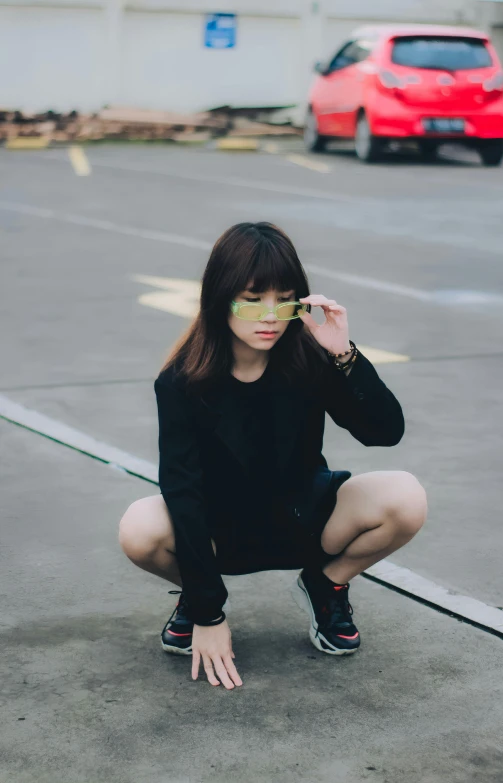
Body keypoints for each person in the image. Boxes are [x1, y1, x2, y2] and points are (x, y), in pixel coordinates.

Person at [119, 222, 427, 690]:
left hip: (304, 519)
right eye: (251, 299)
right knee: (139, 529)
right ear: (219, 298)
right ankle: (195, 594)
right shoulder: (182, 382)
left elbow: (384, 432)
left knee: (406, 496)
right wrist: (208, 614)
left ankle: (326, 584)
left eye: (284, 300)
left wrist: (343, 354)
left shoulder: (308, 358)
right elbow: (182, 491)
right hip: (222, 532)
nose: (270, 317)